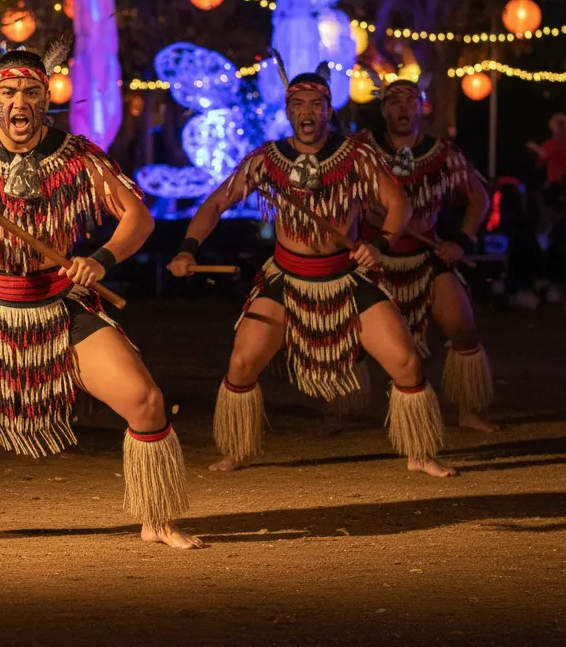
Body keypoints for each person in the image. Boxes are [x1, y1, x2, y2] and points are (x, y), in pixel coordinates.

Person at [0, 36, 203, 549]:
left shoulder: (77, 156)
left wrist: (101, 258)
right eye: (9, 93)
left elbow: (138, 218)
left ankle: (157, 519)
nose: (19, 103)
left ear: (46, 98)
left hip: (58, 301)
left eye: (30, 92)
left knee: (145, 400)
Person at [168, 66, 454, 478]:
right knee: (242, 364)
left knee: (406, 362)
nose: (307, 112)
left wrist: (380, 244)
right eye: (298, 104)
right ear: (287, 110)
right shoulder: (267, 159)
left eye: (315, 104)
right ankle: (237, 449)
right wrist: (187, 249)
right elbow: (214, 205)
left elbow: (399, 206)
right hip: (286, 278)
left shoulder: (355, 156)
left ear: (328, 111)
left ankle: (420, 452)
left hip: (346, 278)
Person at [358, 80, 497, 432]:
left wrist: (462, 240)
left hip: (424, 254)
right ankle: (340, 411)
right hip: (372, 258)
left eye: (410, 102)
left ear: (422, 107)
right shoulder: (361, 150)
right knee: (349, 335)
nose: (402, 109)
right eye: (394, 103)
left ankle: (469, 411)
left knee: (463, 329)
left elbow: (479, 198)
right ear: (383, 109)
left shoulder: (443, 154)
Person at [526, 113, 566, 190]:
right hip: (554, 184)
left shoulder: (551, 145)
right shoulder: (548, 144)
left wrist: (537, 149)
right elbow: (540, 163)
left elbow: (543, 157)